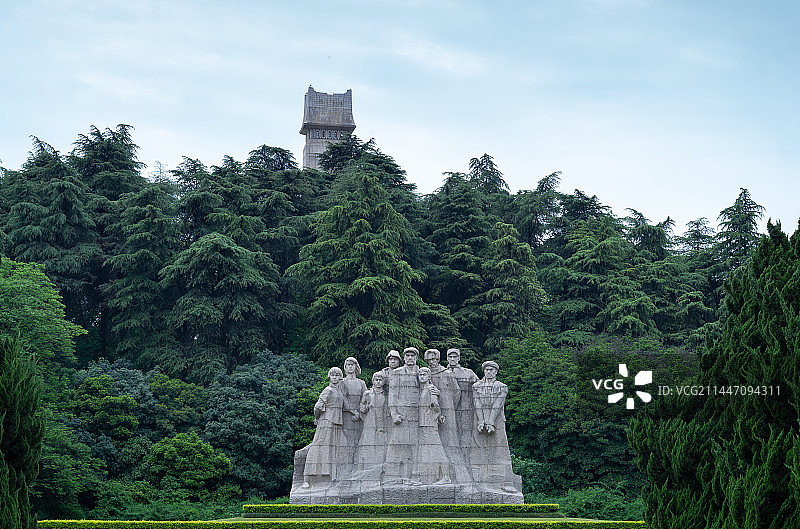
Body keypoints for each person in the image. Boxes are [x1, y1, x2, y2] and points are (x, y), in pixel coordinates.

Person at [386, 347, 429, 481]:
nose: (410, 358)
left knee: (416, 445)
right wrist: (393, 413)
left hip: (417, 413)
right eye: (408, 356)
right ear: (404, 358)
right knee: (399, 444)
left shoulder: (421, 372)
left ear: (416, 357)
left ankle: (416, 475)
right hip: (401, 414)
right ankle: (397, 475)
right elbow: (392, 394)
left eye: (412, 356)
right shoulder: (397, 373)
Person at [471, 360, 515, 492]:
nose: (489, 372)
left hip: (497, 421)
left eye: (491, 370)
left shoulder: (502, 386)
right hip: (479, 420)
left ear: (496, 371)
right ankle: (480, 479)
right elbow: (477, 403)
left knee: (501, 449)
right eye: (486, 370)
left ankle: (506, 482)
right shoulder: (476, 386)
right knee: (478, 448)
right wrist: (481, 421)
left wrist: (490, 422)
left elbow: (497, 405)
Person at [302, 367, 347, 489]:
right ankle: (307, 478)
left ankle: (331, 476)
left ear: (340, 377)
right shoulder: (327, 390)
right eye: (332, 375)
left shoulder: (338, 391)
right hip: (326, 421)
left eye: (337, 375)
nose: (334, 377)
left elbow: (344, 406)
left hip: (336, 423)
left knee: (333, 449)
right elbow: (317, 406)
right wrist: (318, 418)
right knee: (318, 446)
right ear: (329, 376)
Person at [412, 367, 452, 485]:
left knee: (438, 449)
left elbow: (435, 404)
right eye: (420, 375)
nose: (422, 377)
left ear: (429, 376)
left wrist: (438, 415)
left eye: (424, 374)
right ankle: (425, 478)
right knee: (427, 450)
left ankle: (446, 477)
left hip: (429, 423)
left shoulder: (430, 389)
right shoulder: (424, 389)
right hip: (424, 423)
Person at [445, 348, 478, 464]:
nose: (452, 359)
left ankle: (466, 460)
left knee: (465, 435)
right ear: (447, 358)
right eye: (450, 357)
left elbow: (479, 387)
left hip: (466, 409)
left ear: (459, 358)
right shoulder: (441, 372)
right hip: (447, 410)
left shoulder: (468, 373)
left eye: (455, 357)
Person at [354, 371, 389, 472]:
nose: (378, 382)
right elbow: (362, 404)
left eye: (380, 380)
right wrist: (363, 408)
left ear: (383, 381)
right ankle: (365, 465)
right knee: (368, 440)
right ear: (373, 381)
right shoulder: (368, 393)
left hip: (382, 419)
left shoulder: (387, 394)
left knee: (381, 440)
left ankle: (380, 464)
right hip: (370, 419)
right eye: (376, 380)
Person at [340, 356, 367, 459]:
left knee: (359, 439)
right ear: (345, 367)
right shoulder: (342, 382)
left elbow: (365, 398)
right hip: (347, 415)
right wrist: (352, 411)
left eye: (352, 365)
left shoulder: (361, 383)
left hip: (360, 416)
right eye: (348, 365)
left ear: (356, 366)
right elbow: (343, 398)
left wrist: (360, 412)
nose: (350, 367)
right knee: (347, 439)